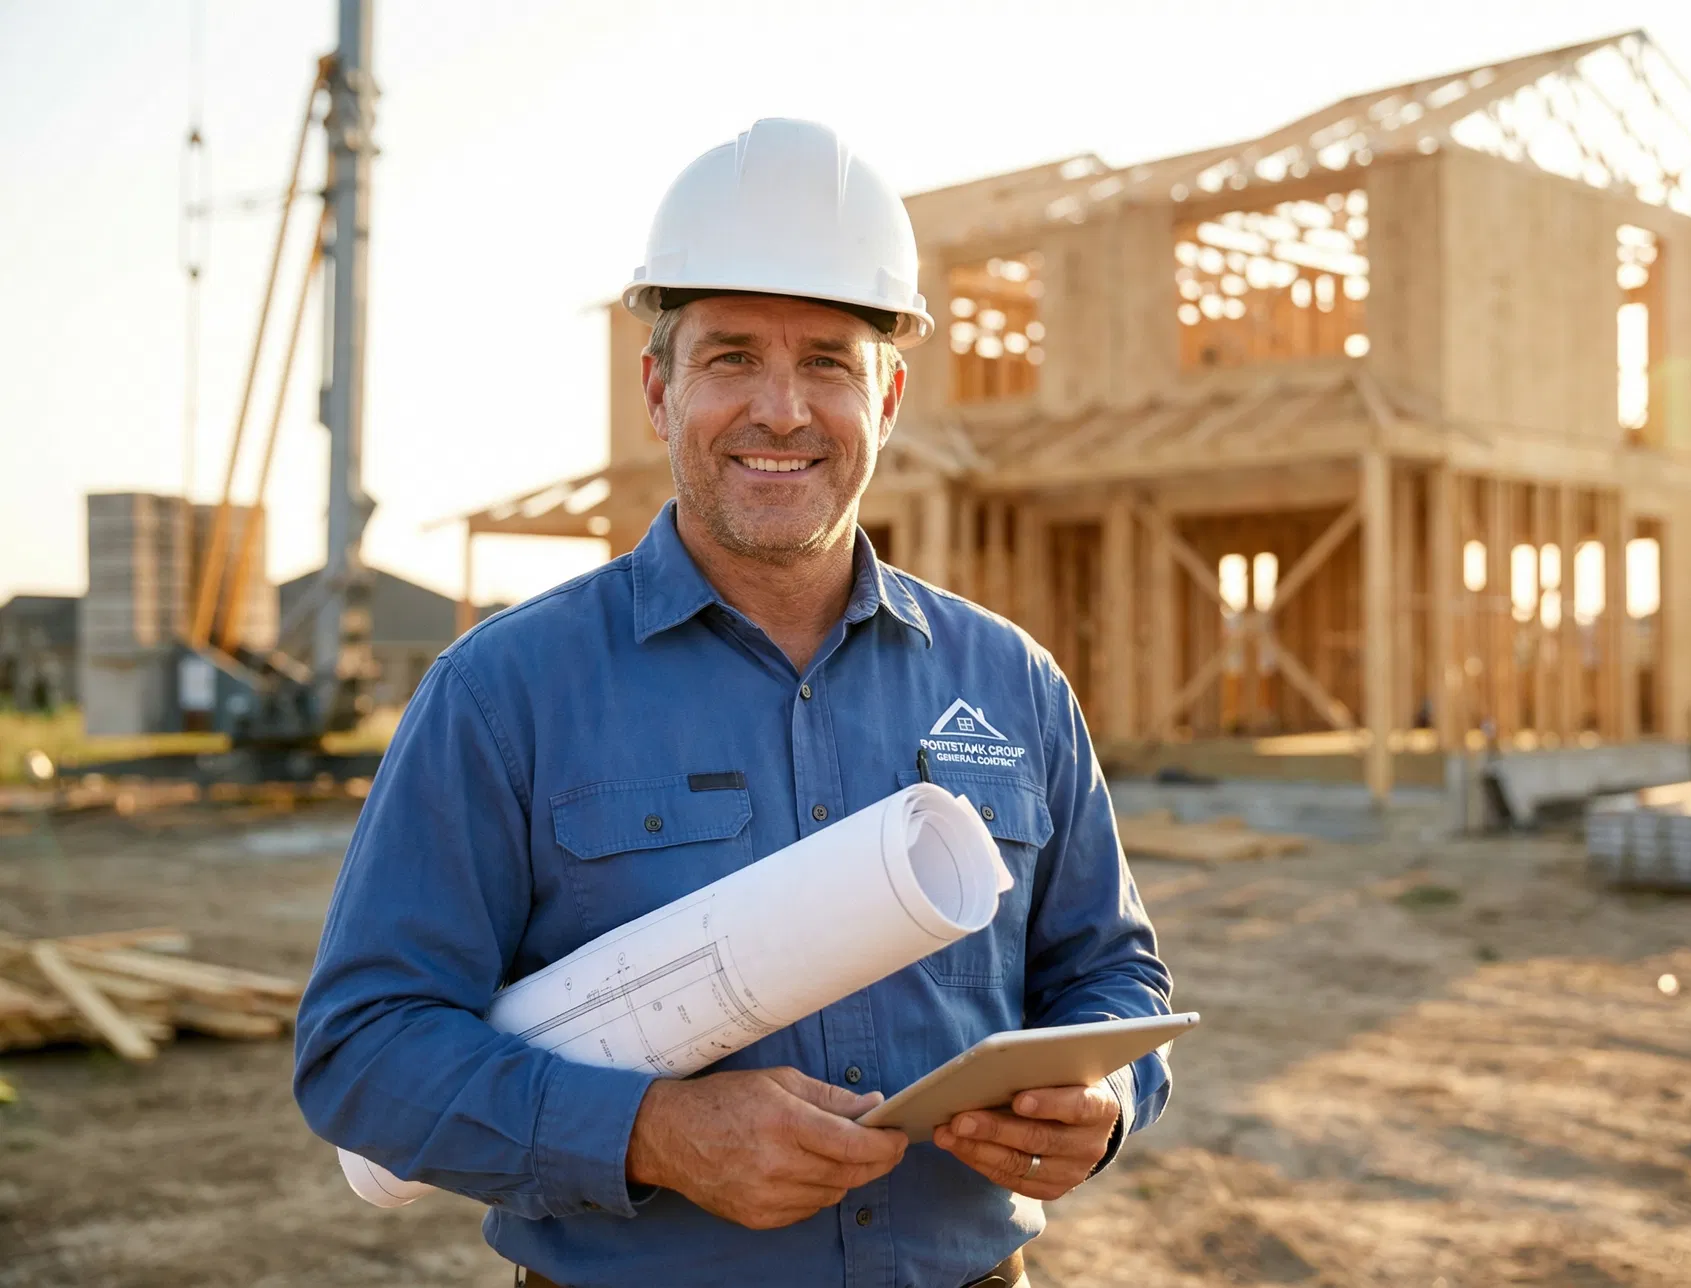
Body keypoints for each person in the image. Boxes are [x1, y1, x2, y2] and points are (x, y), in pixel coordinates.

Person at [293, 118, 1173, 1288]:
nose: (780, 411)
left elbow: (1113, 976)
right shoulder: (506, 693)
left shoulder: (1010, 683)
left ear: (890, 396)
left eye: (826, 363)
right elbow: (363, 1052)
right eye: (731, 359)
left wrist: (1103, 1099)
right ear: (659, 388)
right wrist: (654, 1134)